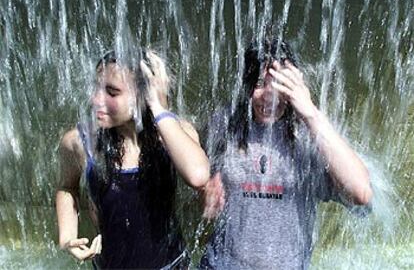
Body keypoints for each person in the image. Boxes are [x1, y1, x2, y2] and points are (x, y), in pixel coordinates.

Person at [200, 38, 373, 269]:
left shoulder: (310, 136)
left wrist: (310, 112)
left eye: (280, 83)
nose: (270, 96)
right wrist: (206, 188)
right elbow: (202, 177)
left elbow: (361, 193)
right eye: (260, 83)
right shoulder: (225, 122)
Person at [56, 49, 210, 269]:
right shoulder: (80, 142)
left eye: (112, 92)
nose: (96, 99)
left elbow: (198, 176)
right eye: (96, 88)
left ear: (143, 95)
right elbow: (66, 188)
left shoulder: (175, 134)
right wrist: (67, 235)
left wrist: (157, 106)